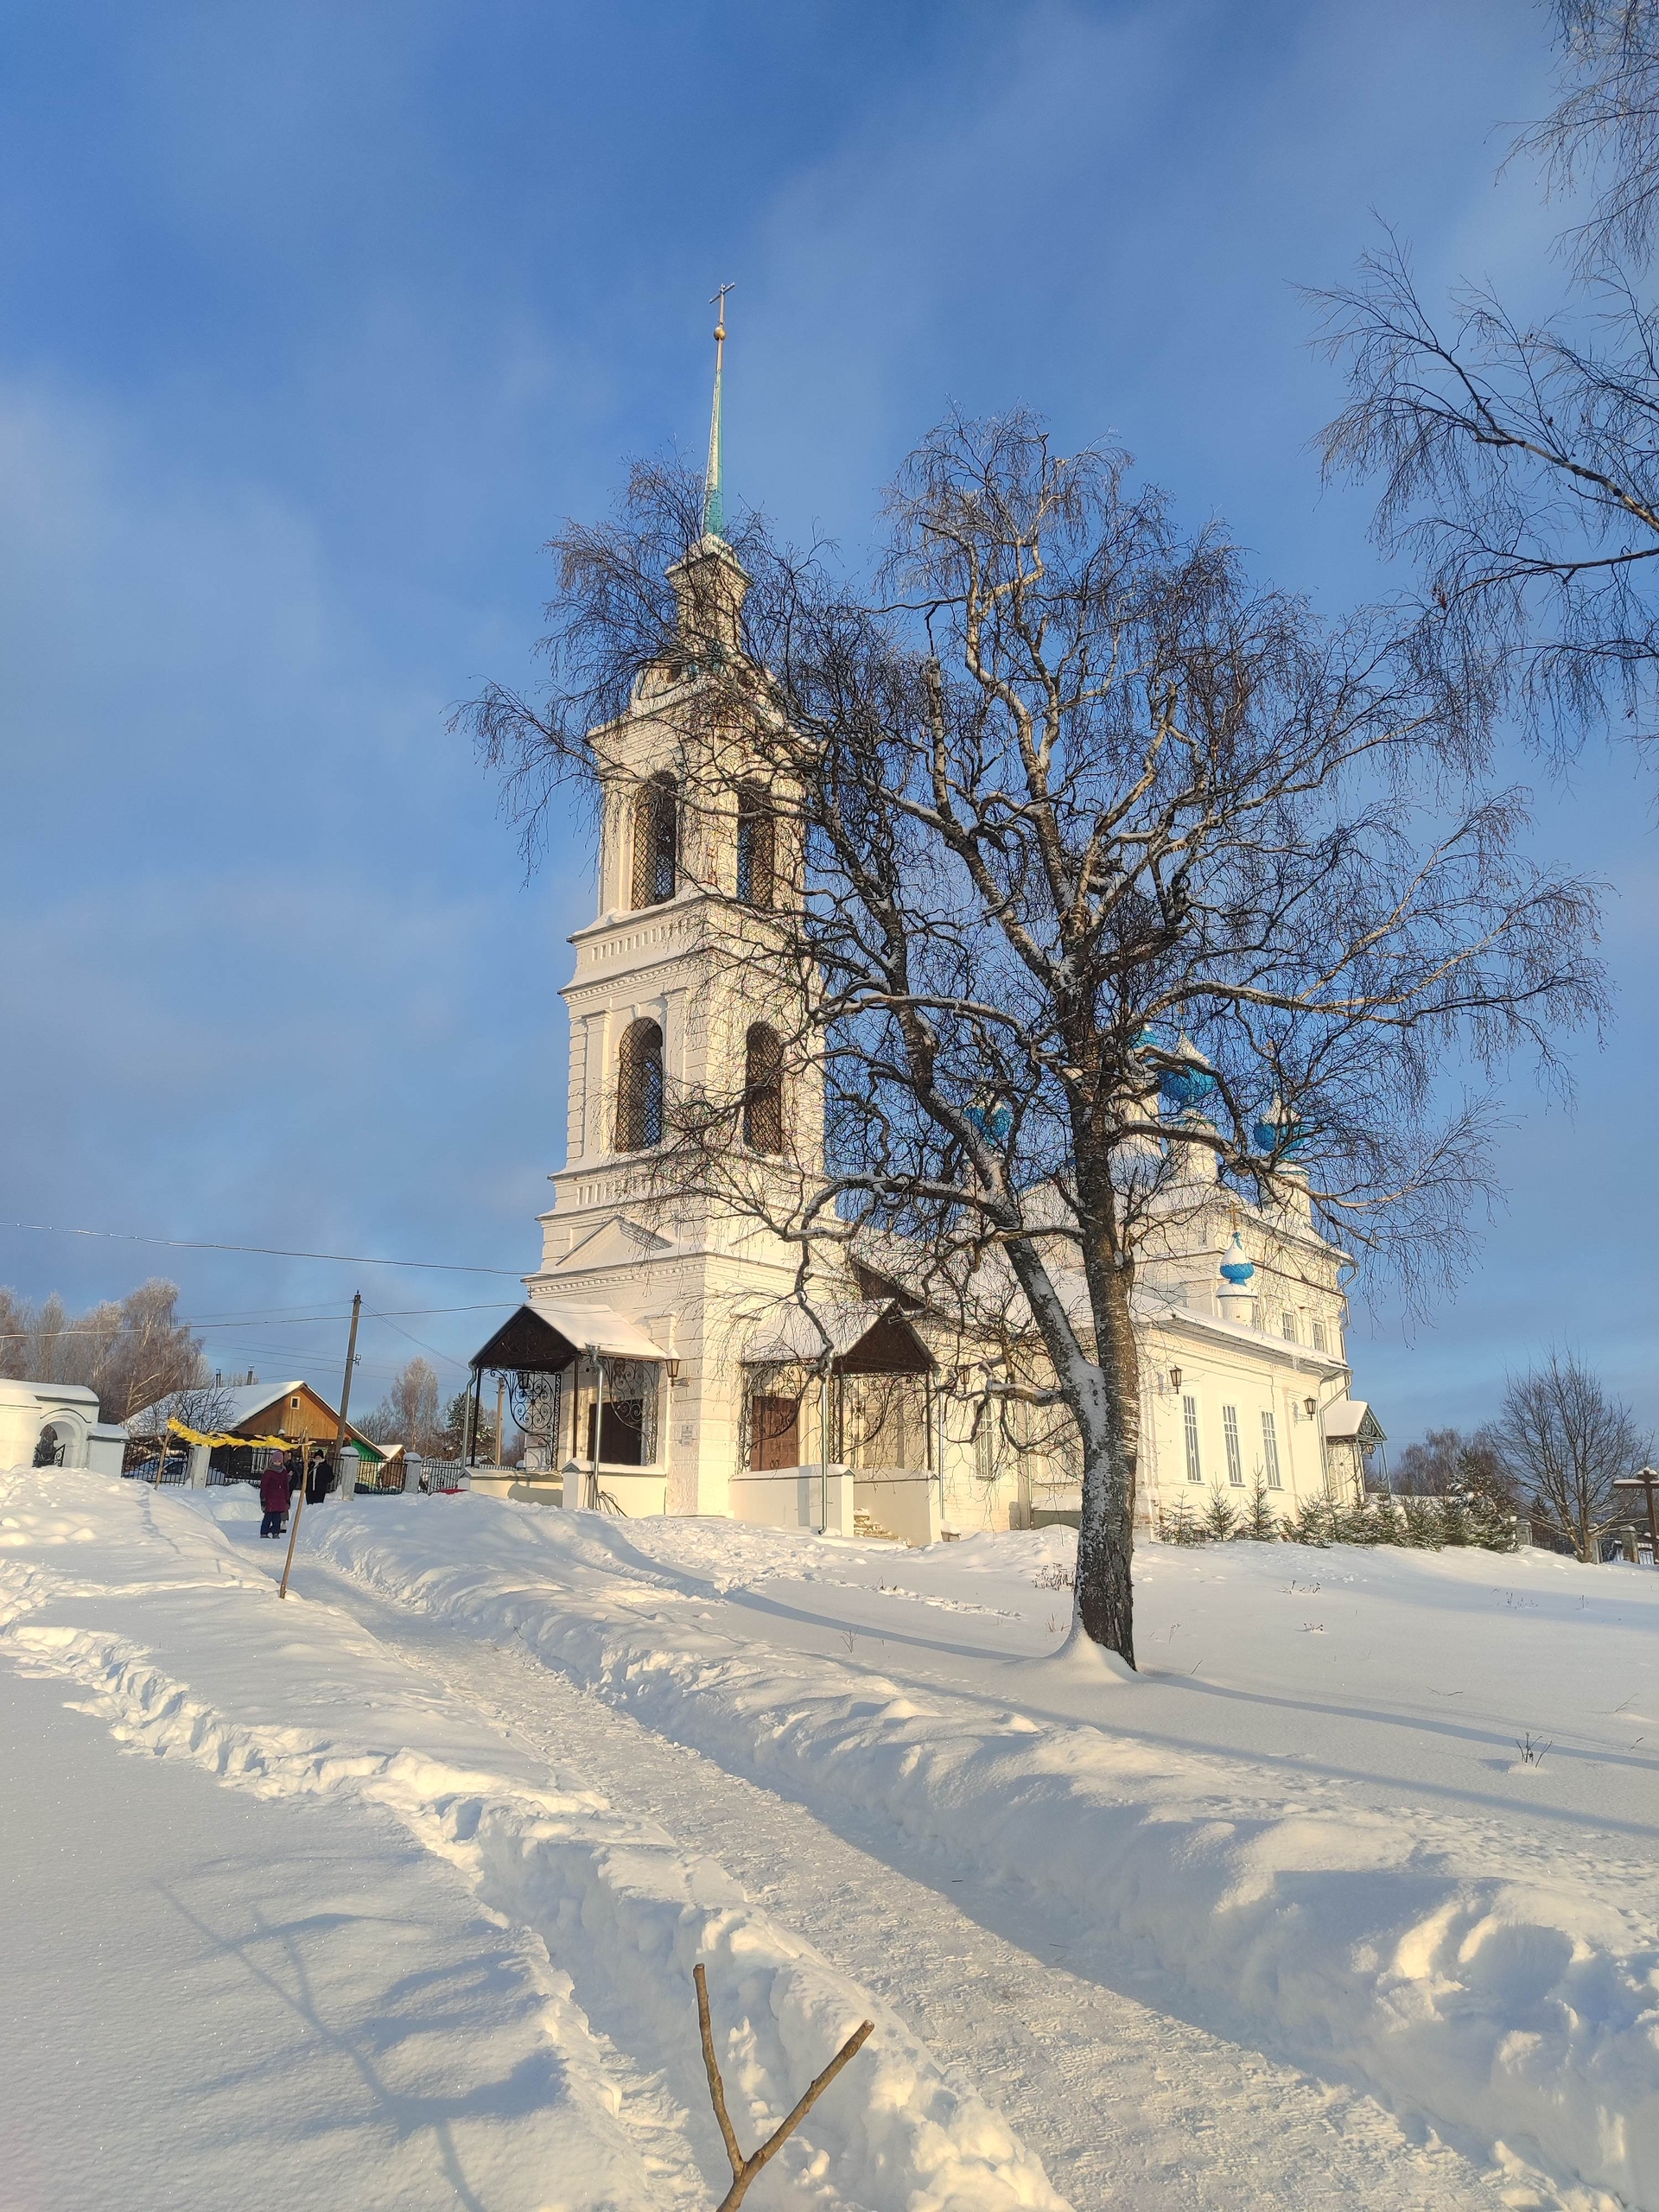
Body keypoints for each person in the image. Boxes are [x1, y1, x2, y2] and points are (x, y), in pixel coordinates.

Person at [258, 1456, 290, 1540]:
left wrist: (287, 1498)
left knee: (277, 1518)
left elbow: (285, 1486)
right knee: (268, 1516)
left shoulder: (283, 1471)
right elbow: (264, 1486)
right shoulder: (268, 1472)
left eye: (279, 1461)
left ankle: (276, 1532)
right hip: (270, 1498)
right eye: (275, 1461)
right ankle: (264, 1532)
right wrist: (263, 1498)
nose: (277, 1463)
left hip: (280, 1498)